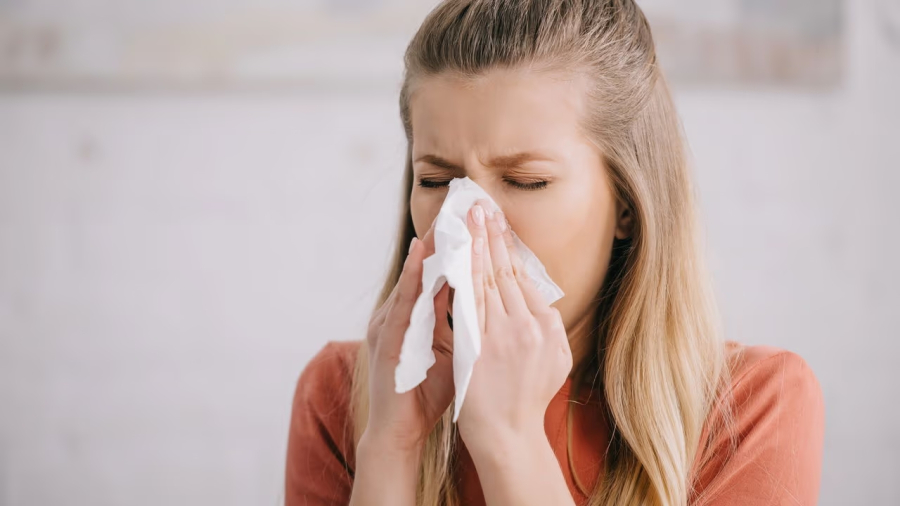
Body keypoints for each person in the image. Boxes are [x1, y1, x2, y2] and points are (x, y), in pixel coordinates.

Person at [285, 1, 825, 505]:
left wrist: (510, 442)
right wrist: (390, 447)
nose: (470, 223)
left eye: (526, 181)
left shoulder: (753, 408)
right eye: (437, 179)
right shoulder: (342, 393)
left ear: (628, 205)